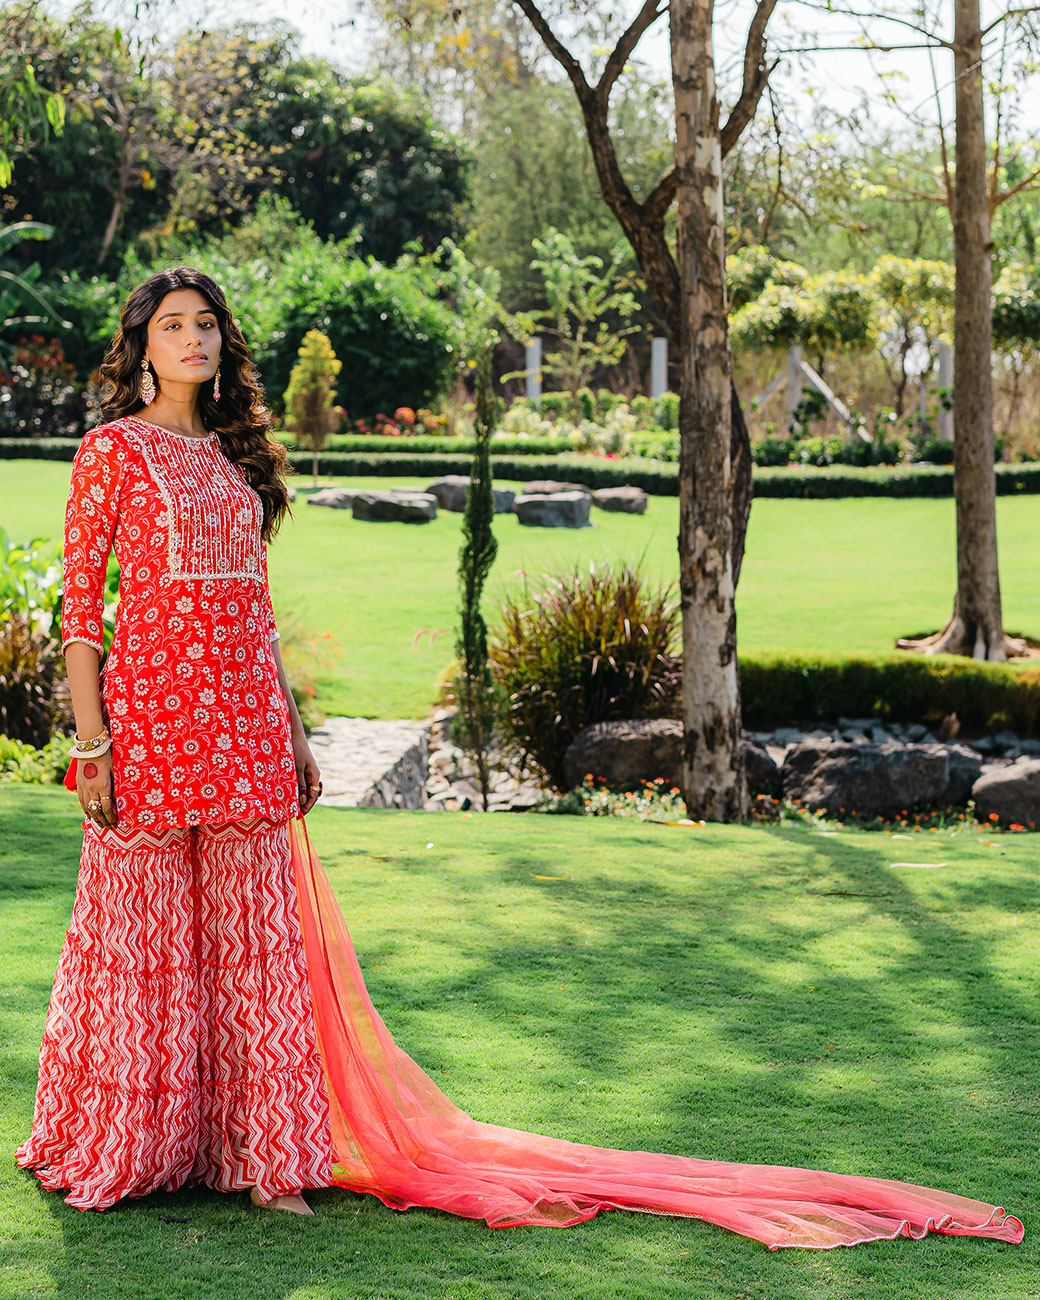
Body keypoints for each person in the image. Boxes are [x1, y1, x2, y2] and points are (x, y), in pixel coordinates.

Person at [16, 267, 1025, 1250]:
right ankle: (134, 1145)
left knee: (253, 946)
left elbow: (254, 615)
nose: (194, 339)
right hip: (150, 721)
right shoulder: (113, 453)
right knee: (142, 931)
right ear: (142, 344)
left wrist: (287, 731)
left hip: (241, 725)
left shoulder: (237, 462)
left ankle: (264, 1153)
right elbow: (83, 615)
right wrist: (93, 741)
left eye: (206, 325)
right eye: (174, 326)